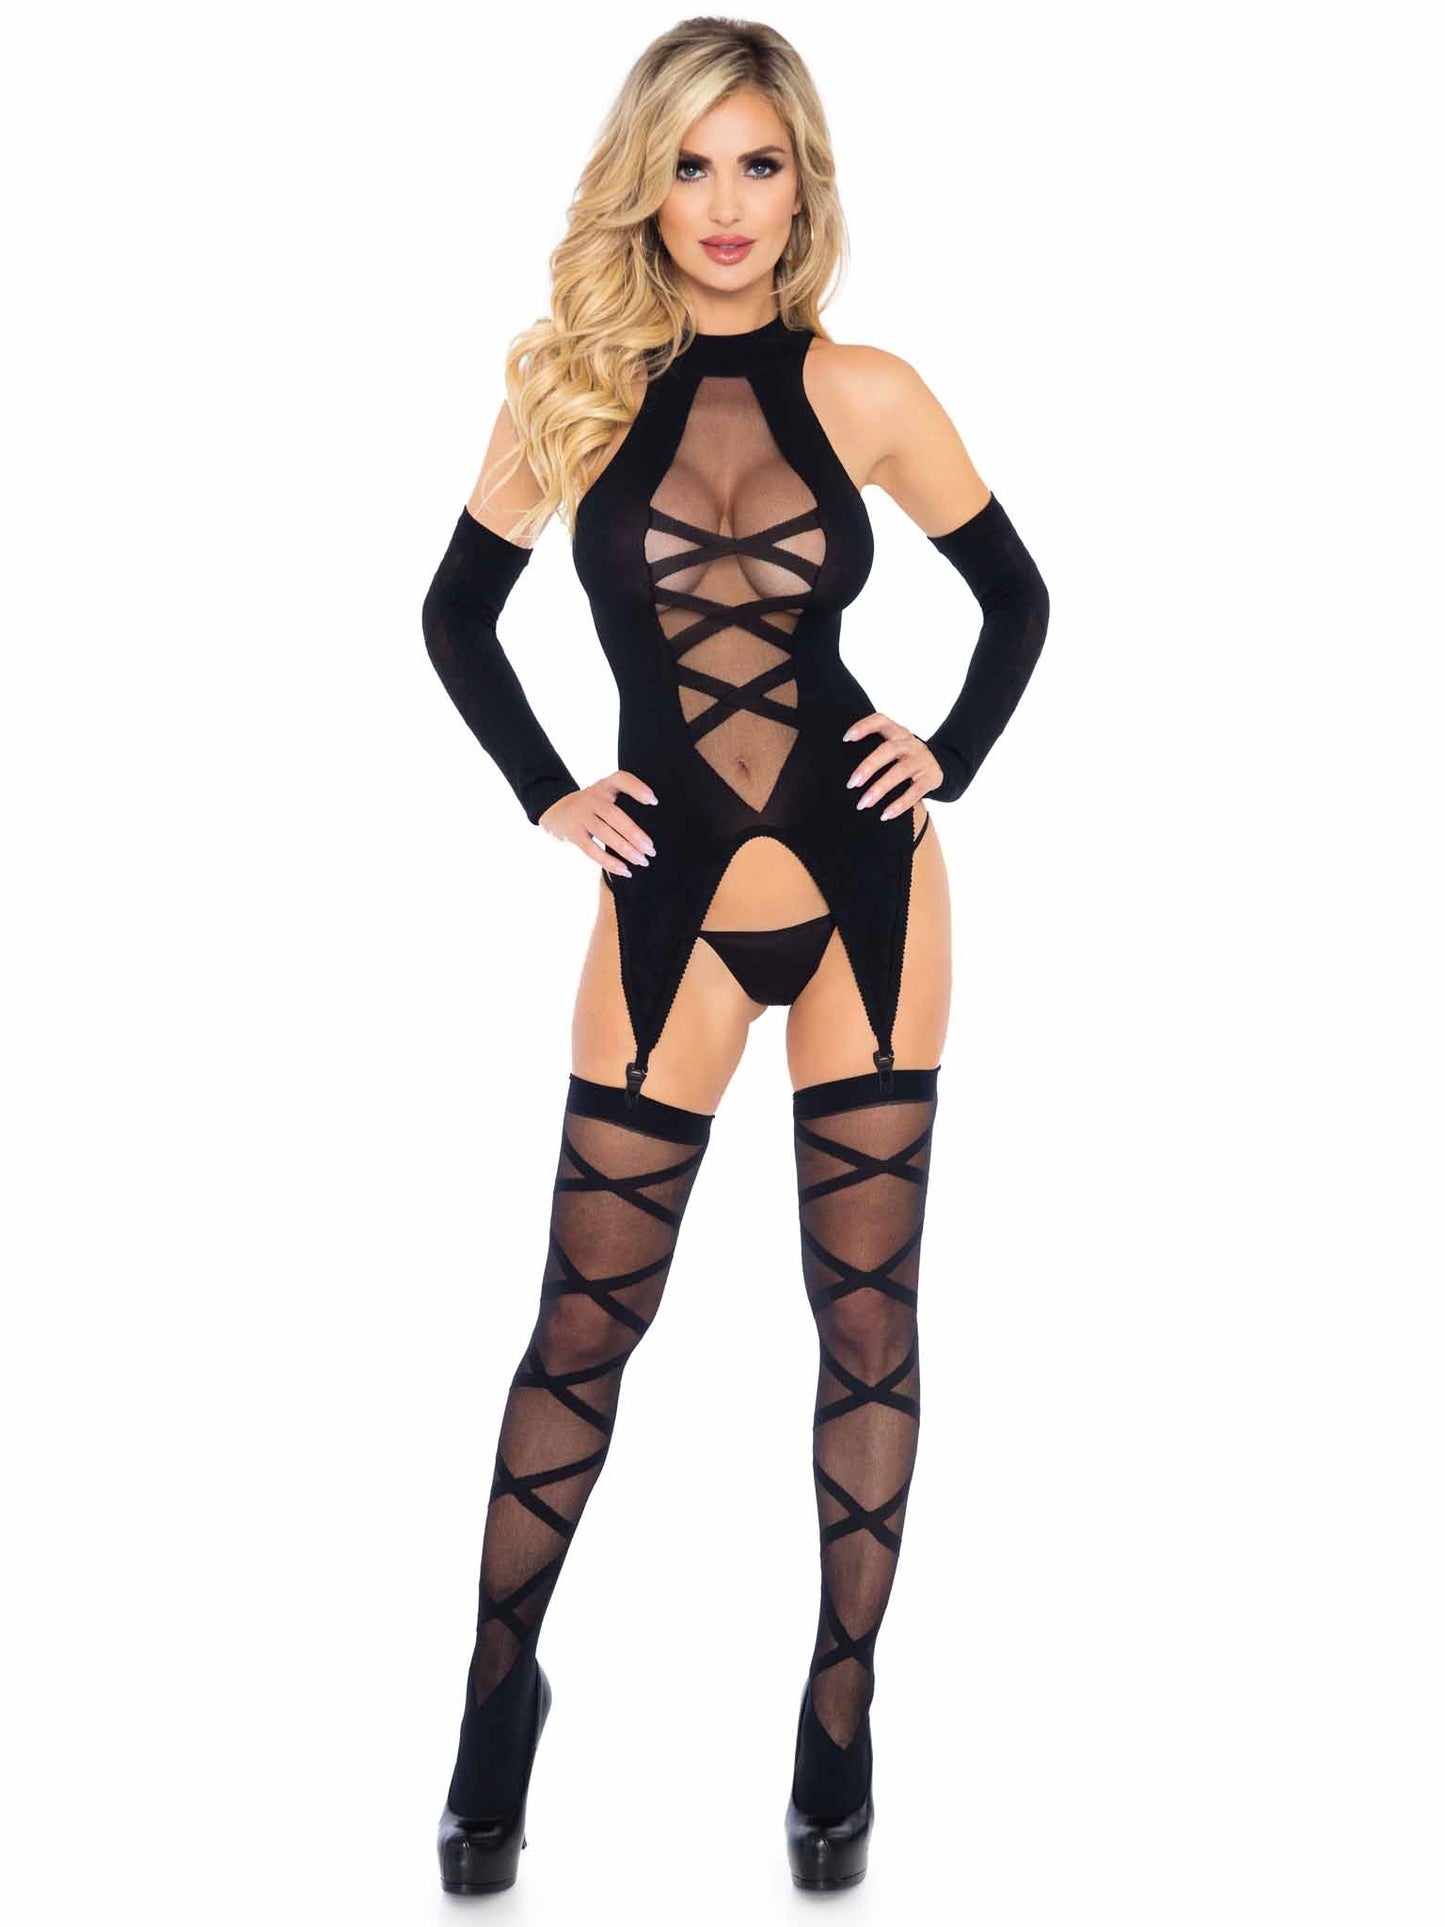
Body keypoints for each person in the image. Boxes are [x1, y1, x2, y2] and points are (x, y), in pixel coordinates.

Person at [420, 17, 1049, 1895]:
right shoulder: (571, 385)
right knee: (582, 1321)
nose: (722, 203)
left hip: (869, 889)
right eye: (690, 163)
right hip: (664, 896)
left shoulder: (867, 389)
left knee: (865, 1322)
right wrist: (548, 793)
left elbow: (1016, 597)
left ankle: (838, 1713)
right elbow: (454, 614)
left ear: (802, 186)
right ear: (647, 182)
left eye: (757, 164)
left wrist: (949, 751)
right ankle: (498, 1692)